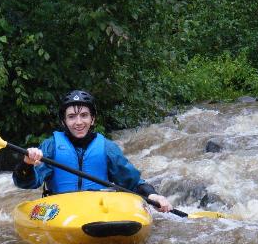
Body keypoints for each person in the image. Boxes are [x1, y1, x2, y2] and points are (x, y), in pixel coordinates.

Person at [12, 89, 172, 212]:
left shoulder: (107, 148)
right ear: (64, 121)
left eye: (84, 115)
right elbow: (25, 183)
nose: (78, 122)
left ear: (92, 119)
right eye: (72, 116)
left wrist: (152, 195)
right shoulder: (51, 146)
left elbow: (132, 182)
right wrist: (27, 164)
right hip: (62, 210)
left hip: (97, 210)